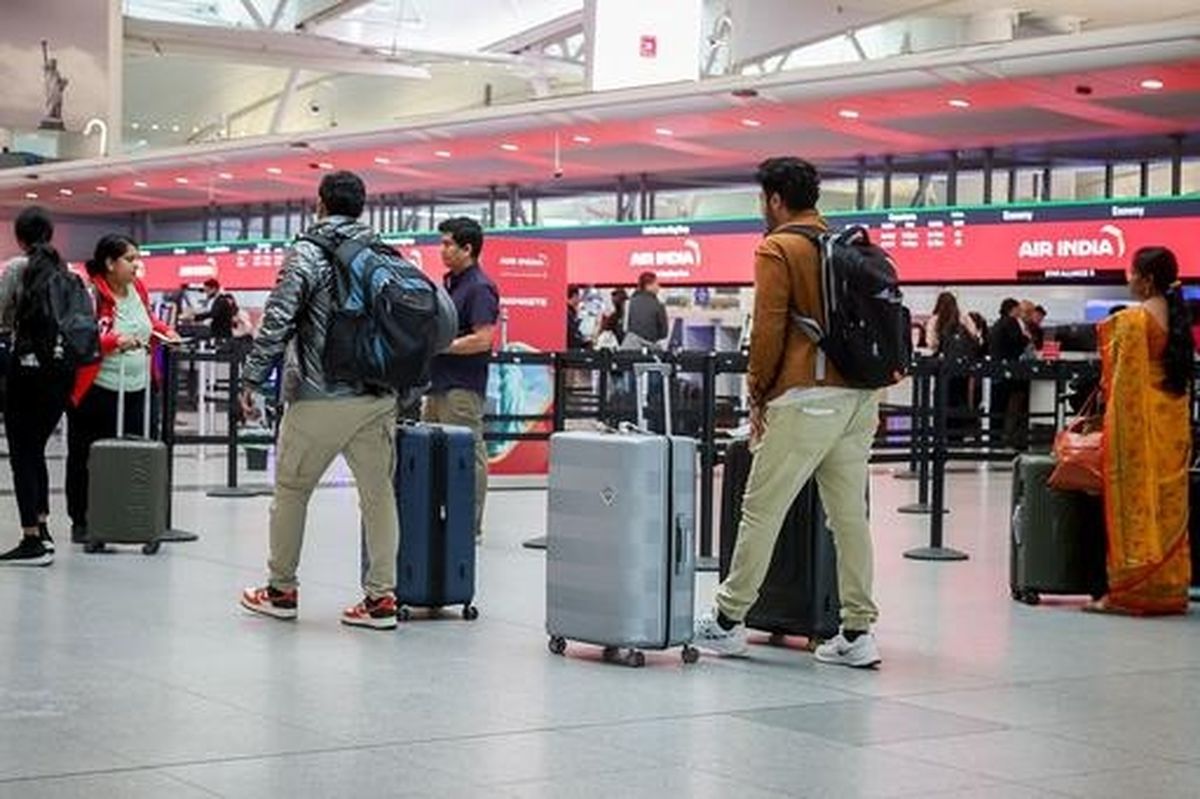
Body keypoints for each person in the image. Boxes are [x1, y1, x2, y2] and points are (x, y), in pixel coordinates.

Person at [693, 156, 882, 668]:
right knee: (849, 517)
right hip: (861, 397)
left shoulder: (778, 247)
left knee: (762, 507)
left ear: (775, 200)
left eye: (763, 199)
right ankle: (857, 631)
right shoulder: (844, 244)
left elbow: (768, 330)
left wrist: (757, 394)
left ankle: (728, 620)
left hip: (807, 398)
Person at [237, 171, 401, 629]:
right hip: (377, 394)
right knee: (378, 496)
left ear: (320, 204)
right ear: (361, 207)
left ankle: (281, 591)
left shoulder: (307, 253)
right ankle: (381, 600)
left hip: (318, 394)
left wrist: (252, 379)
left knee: (292, 491)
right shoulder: (384, 254)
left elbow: (278, 320)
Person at [1087, 247, 1193, 615]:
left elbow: (1119, 383)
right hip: (1171, 427)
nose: (1127, 278)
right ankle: (1168, 588)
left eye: (1131, 273)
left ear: (1146, 280)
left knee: (1135, 500)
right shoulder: (1177, 318)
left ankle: (1131, 591)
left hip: (1141, 427)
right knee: (1166, 506)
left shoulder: (1134, 321)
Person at [66, 235, 180, 546]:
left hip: (138, 386)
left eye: (137, 258)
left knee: (137, 455)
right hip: (98, 389)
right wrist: (114, 341)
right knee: (87, 457)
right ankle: (83, 521)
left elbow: (148, 320)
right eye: (129, 259)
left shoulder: (137, 288)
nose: (136, 265)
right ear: (109, 263)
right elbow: (82, 337)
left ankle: (131, 518)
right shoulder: (90, 293)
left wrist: (165, 330)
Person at [0, 208, 75, 565]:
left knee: (22, 454)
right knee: (36, 450)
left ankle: (30, 538)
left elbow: (1, 315)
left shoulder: (17, 268)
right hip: (61, 374)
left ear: (20, 237)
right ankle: (43, 529)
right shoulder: (66, 272)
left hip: (27, 371)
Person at [424, 216, 498, 543]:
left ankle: (469, 525)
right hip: (437, 384)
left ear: (467, 249)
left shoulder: (479, 288)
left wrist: (441, 345)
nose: (442, 250)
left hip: (462, 387)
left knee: (467, 455)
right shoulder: (450, 285)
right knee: (434, 454)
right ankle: (442, 517)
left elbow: (484, 339)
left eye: (448, 244)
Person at [928, 292, 979, 440]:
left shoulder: (935, 320)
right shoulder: (964, 318)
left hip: (943, 368)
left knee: (942, 399)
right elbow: (976, 337)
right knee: (961, 399)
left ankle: (941, 433)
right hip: (962, 368)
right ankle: (958, 434)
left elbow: (932, 343)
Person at [989, 298, 1031, 450]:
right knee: (1011, 403)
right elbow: (1017, 341)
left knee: (996, 405)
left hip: (996, 369)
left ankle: (994, 438)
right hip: (1009, 370)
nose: (1020, 312)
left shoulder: (997, 323)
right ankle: (1009, 437)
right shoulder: (1011, 322)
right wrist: (1026, 338)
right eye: (1018, 309)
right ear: (1012, 309)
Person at [622, 272, 668, 350]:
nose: (658, 287)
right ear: (648, 286)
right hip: (650, 348)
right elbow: (664, 333)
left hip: (631, 347)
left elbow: (625, 328)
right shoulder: (659, 305)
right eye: (656, 284)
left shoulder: (629, 303)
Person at [566, 286, 588, 350]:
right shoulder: (568, 312)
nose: (579, 299)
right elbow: (572, 332)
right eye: (579, 296)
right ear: (574, 296)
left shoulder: (570, 311)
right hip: (571, 348)